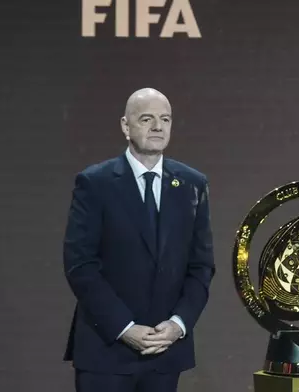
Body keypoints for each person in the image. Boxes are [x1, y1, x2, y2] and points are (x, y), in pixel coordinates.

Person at [63, 88, 215, 392]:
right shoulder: (95, 183)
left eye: (165, 119)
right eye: (147, 119)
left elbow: (201, 266)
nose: (158, 127)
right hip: (105, 351)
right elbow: (81, 265)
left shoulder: (192, 184)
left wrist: (177, 325)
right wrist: (125, 328)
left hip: (164, 351)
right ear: (125, 125)